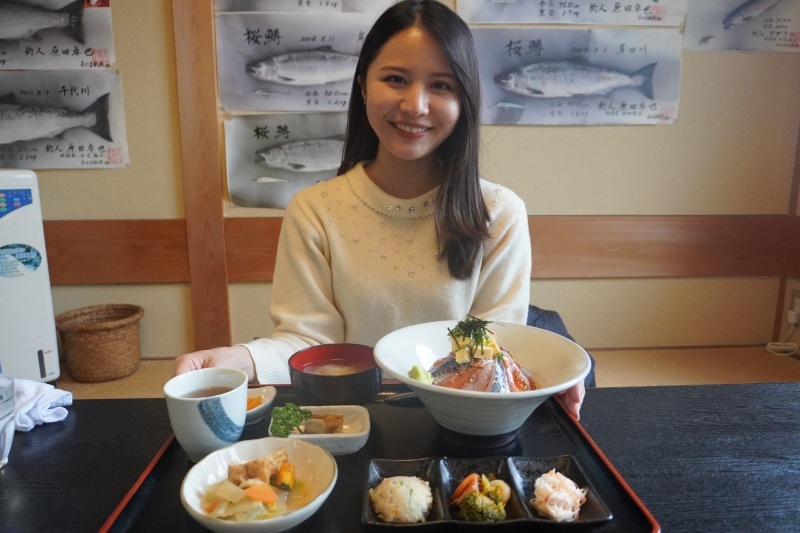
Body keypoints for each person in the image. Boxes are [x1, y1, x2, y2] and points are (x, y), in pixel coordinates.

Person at [174, 0, 585, 418]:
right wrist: (240, 359)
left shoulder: (498, 212)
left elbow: (495, 348)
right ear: (362, 85)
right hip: (353, 419)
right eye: (395, 79)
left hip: (464, 421)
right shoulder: (315, 210)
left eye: (441, 85)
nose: (415, 105)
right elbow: (309, 341)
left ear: (465, 99)